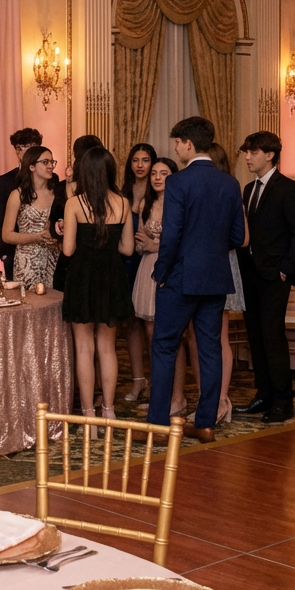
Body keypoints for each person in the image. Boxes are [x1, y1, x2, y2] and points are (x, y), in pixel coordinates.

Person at [147, 117, 245, 443]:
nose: (175, 148)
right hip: (216, 276)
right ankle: (205, 424)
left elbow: (171, 235)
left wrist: (161, 273)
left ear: (188, 144)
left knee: (164, 346)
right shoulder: (230, 183)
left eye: (177, 143)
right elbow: (237, 236)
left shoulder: (178, 182)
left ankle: (158, 426)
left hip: (180, 276)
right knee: (210, 349)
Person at [233, 131, 295, 423]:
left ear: (269, 155)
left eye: (253, 152)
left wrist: (285, 268)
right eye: (246, 152)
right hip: (250, 273)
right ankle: (264, 393)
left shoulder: (287, 188)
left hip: (274, 275)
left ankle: (282, 399)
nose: (247, 157)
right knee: (255, 335)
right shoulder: (248, 188)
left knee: (272, 335)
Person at [61, 145, 135, 422]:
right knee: (107, 347)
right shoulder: (123, 203)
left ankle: (89, 414)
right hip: (112, 276)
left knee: (83, 348)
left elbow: (68, 250)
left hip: (82, 277)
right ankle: (109, 410)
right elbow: (127, 248)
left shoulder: (74, 203)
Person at [185, 143, 248, 426]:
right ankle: (205, 399)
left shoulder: (228, 193)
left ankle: (221, 399)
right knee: (195, 336)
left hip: (221, 264)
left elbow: (243, 238)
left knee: (217, 337)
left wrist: (213, 240)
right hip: (199, 266)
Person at [131, 157, 187, 415]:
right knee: (152, 335)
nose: (156, 178)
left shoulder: (180, 202)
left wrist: (156, 245)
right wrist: (148, 245)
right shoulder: (146, 203)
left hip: (172, 268)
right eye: (154, 173)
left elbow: (182, 241)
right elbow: (140, 241)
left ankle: (178, 397)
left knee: (174, 336)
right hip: (147, 268)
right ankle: (158, 395)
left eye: (163, 173)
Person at [121, 142, 157, 402]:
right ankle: (138, 380)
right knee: (130, 322)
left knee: (152, 326)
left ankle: (157, 381)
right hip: (126, 261)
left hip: (151, 260)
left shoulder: (159, 192)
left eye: (145, 160)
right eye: (136, 160)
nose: (140, 165)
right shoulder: (122, 192)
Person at [50, 134, 104, 292]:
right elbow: (53, 221)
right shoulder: (62, 187)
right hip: (69, 258)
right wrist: (59, 228)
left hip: (97, 259)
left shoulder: (104, 191)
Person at [2, 145, 60, 289]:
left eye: (52, 162)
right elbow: (7, 235)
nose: (50, 166)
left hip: (54, 259)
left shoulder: (57, 194)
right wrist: (36, 237)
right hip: (27, 262)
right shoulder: (18, 195)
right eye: (45, 162)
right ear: (32, 166)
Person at [0, 127, 42, 280]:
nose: (24, 152)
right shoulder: (5, 180)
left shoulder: (50, 177)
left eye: (30, 147)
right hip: (13, 249)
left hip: (43, 247)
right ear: (16, 150)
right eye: (20, 147)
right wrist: (4, 253)